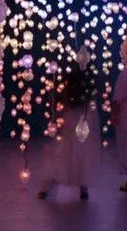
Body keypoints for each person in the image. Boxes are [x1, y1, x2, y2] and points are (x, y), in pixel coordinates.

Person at [38, 67, 100, 200]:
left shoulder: (70, 97)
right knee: (81, 155)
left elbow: (63, 104)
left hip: (73, 126)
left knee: (65, 154)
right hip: (81, 126)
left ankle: (47, 186)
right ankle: (83, 189)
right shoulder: (87, 101)